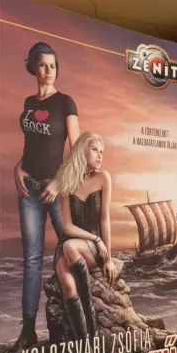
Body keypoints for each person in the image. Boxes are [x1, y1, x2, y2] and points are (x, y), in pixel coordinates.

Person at [12, 42, 80, 351]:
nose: (49, 70)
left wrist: (59, 182)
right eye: (42, 65)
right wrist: (18, 167)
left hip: (57, 190)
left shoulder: (65, 102)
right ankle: (28, 332)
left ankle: (80, 326)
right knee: (32, 260)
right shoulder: (29, 102)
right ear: (33, 67)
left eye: (53, 65)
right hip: (29, 190)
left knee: (72, 248)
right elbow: (32, 146)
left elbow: (76, 151)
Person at [52, 132, 117, 339]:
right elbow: (68, 227)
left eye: (102, 152)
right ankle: (84, 342)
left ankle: (92, 327)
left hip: (92, 249)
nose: (100, 155)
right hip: (74, 243)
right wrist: (95, 238)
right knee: (68, 285)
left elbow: (104, 219)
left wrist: (108, 258)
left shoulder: (104, 178)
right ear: (82, 151)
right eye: (95, 149)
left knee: (70, 247)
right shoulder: (67, 180)